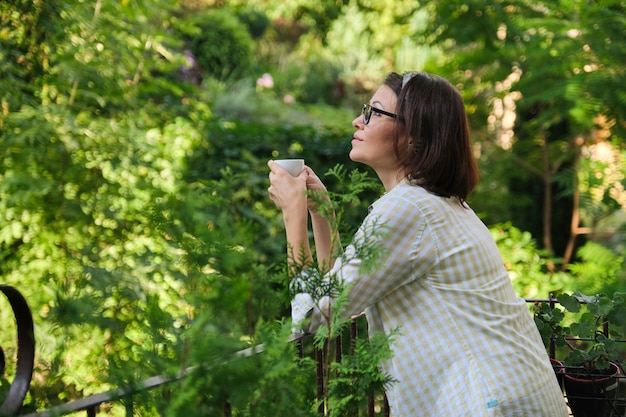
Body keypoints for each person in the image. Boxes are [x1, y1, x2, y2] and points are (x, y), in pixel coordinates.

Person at [267, 71, 568, 417]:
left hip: (489, 404)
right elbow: (337, 294)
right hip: (515, 397)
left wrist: (293, 216)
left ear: (414, 136)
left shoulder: (408, 209)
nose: (357, 120)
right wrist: (321, 213)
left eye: (374, 112)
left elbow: (311, 317)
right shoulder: (434, 203)